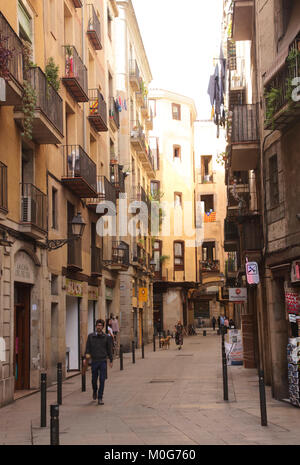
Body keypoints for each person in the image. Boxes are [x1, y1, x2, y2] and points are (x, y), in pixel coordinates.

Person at [84, 319, 113, 405]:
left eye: (100, 326)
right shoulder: (91, 336)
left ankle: (100, 397)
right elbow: (87, 348)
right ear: (96, 326)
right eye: (98, 325)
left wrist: (110, 360)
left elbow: (109, 349)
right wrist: (86, 358)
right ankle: (95, 391)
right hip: (94, 361)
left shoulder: (106, 337)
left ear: (103, 327)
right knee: (94, 379)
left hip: (103, 360)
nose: (99, 327)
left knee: (102, 379)